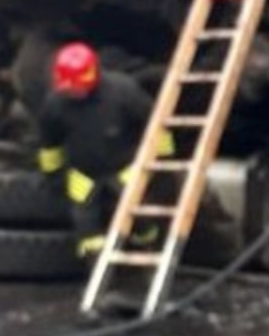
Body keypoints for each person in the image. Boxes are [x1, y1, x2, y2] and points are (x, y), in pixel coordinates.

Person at [37, 43, 173, 263]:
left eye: (76, 87)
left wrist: (156, 167)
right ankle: (96, 268)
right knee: (84, 221)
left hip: (125, 167)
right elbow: (49, 146)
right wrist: (59, 180)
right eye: (67, 88)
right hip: (84, 173)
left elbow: (157, 127)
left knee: (137, 213)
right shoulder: (55, 104)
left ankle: (147, 247)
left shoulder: (124, 92)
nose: (72, 92)